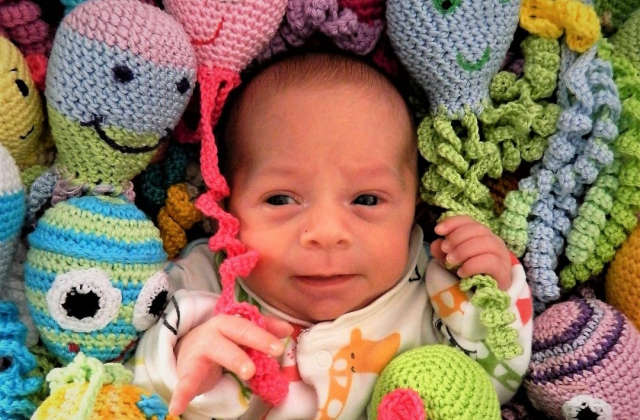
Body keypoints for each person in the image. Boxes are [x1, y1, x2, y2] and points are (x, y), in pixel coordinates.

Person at [132, 52, 533, 420]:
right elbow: (124, 368)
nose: (326, 233)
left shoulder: (434, 287)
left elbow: (489, 386)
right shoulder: (204, 285)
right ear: (227, 204)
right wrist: (178, 363)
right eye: (281, 199)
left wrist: (492, 288)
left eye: (366, 200)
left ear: (414, 205)